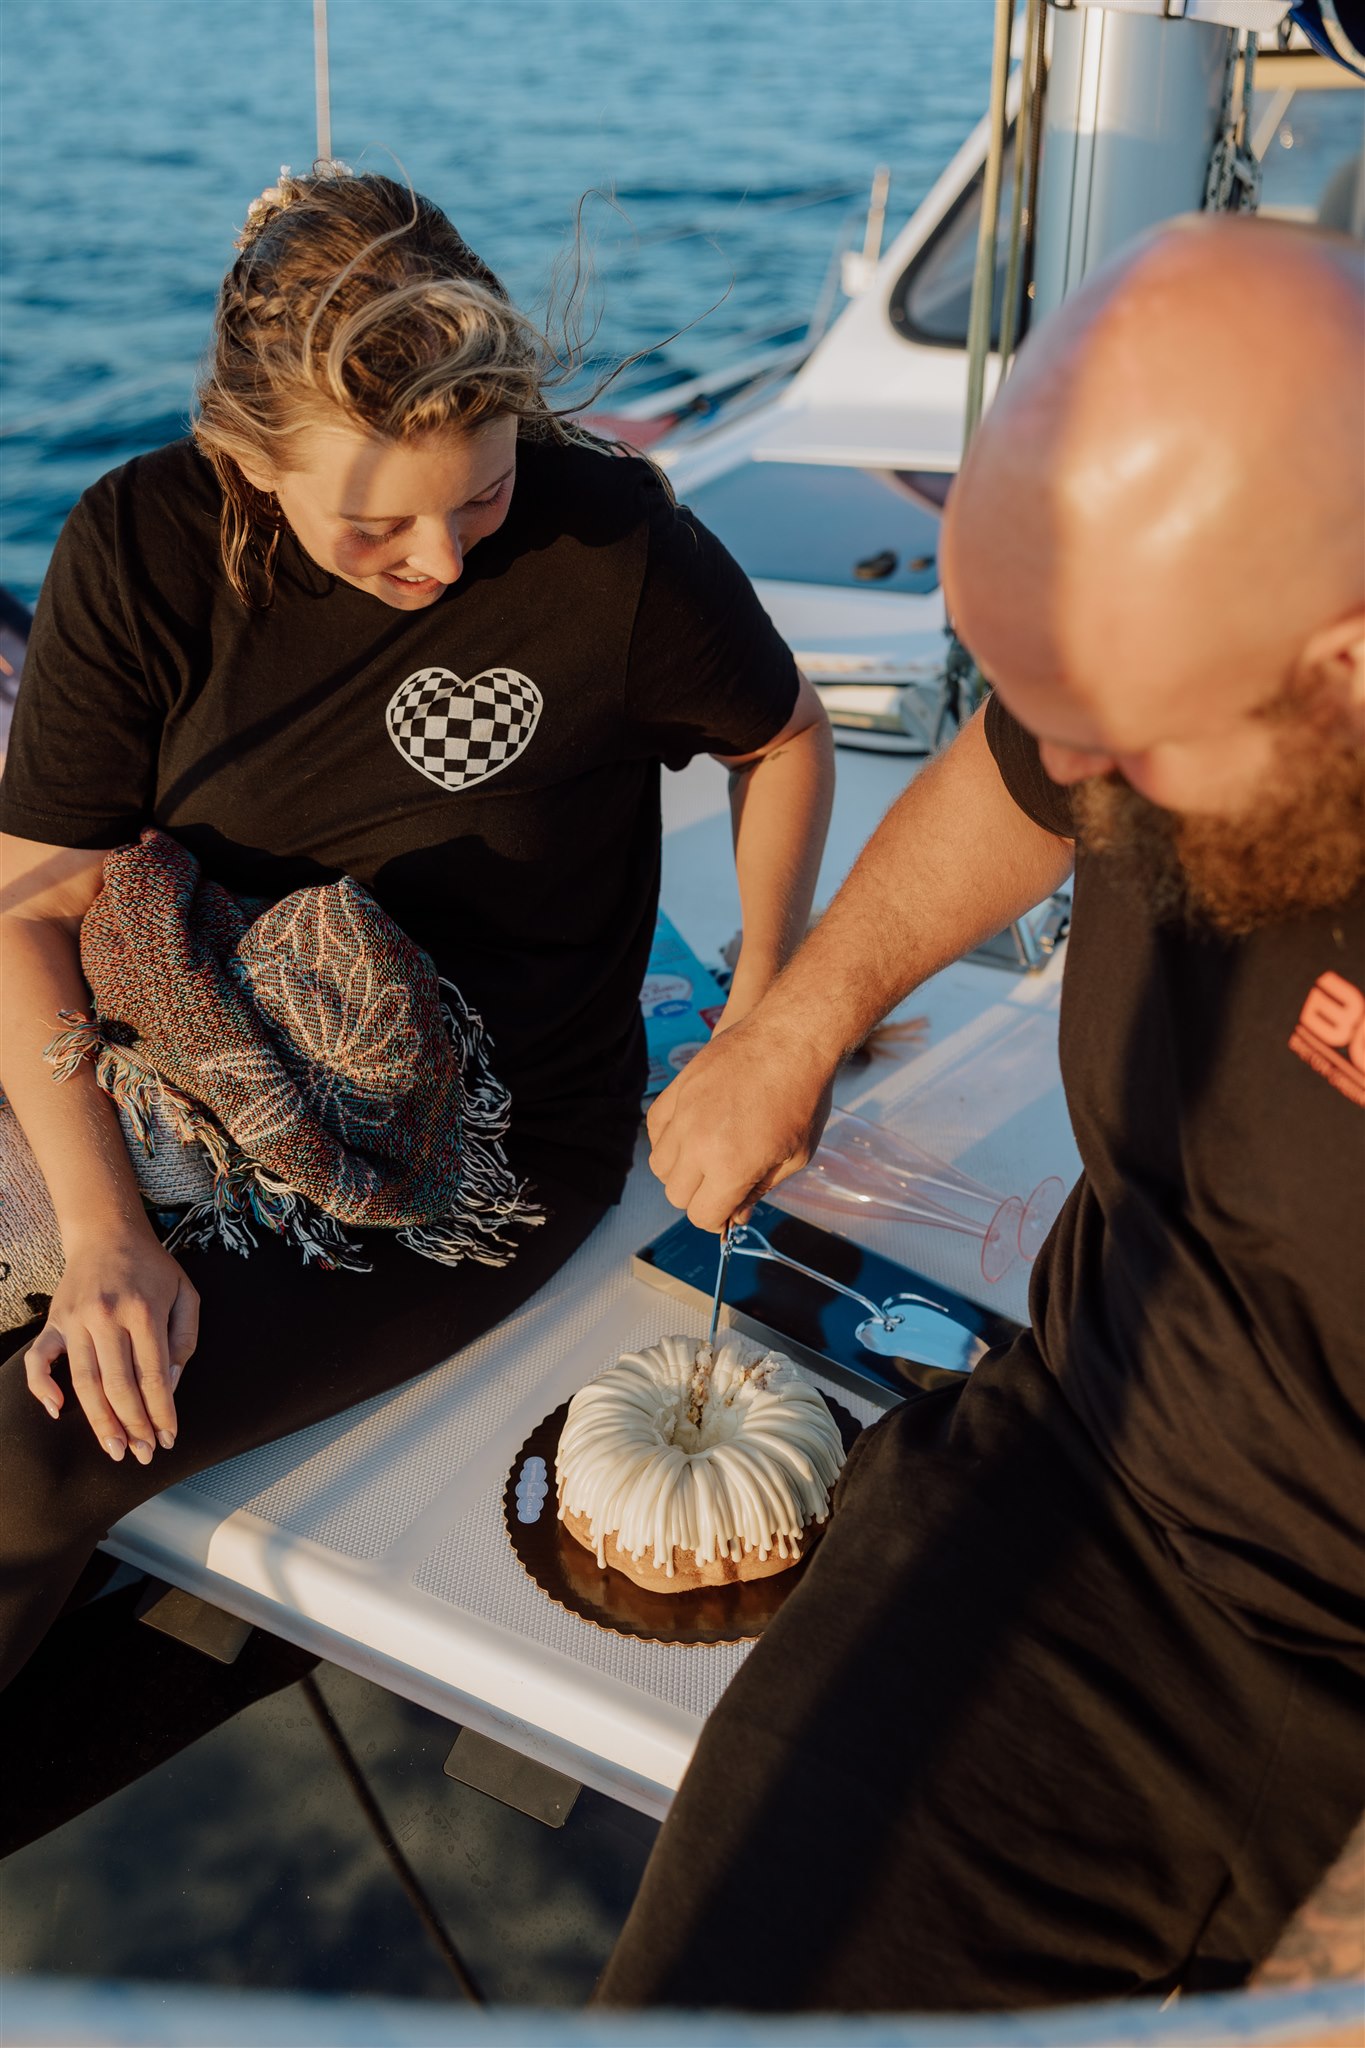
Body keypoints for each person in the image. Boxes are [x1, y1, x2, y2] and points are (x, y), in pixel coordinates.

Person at [596, 216, 1365, 2011]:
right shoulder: (1162, 671)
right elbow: (1022, 762)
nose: (1078, 787)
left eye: (1129, 752)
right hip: (1079, 1469)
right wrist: (798, 1018)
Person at [0, 166, 834, 1690]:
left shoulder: (611, 544)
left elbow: (780, 739)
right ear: (248, 462)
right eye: (378, 522)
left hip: (488, 1144)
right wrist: (108, 1231)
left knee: (33, 1459)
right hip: (182, 1051)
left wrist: (771, 1007)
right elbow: (35, 907)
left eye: (483, 493)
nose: (445, 561)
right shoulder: (138, 545)